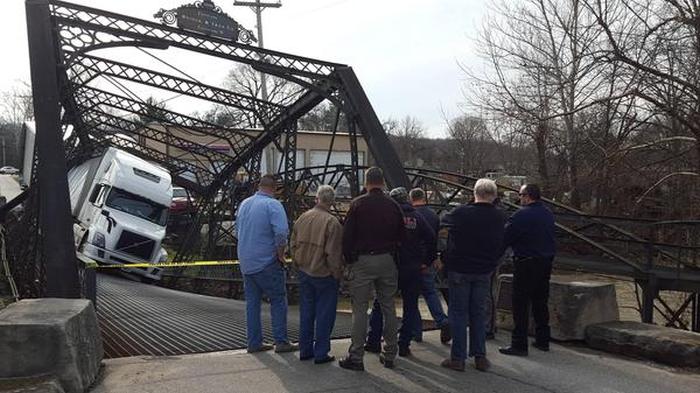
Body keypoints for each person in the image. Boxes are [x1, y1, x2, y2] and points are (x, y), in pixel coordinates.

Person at [338, 167, 405, 371]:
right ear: (383, 182)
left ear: (366, 183)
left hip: (363, 260)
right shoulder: (393, 205)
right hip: (387, 259)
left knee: (359, 309)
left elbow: (347, 237)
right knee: (388, 307)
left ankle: (356, 356)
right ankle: (391, 353)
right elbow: (402, 236)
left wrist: (350, 261)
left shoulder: (358, 204)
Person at [441, 179, 505, 372]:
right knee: (478, 313)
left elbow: (442, 220)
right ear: (494, 196)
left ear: (474, 193)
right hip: (484, 270)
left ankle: (458, 358)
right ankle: (480, 357)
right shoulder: (500, 216)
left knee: (459, 313)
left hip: (460, 269)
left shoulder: (461, 213)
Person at [365, 187, 436, 358]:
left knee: (380, 304)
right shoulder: (417, 217)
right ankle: (404, 344)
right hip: (413, 268)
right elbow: (431, 238)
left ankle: (374, 341)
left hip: (391, 266)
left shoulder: (390, 217)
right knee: (410, 306)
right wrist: (427, 261)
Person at [235, 174, 297, 354]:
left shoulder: (245, 204)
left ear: (259, 186)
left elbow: (238, 230)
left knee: (252, 304)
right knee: (278, 299)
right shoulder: (273, 205)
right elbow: (281, 233)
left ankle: (254, 342)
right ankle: (281, 341)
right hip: (266, 262)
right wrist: (280, 254)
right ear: (275, 188)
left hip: (246, 261)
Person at [499, 184, 556, 356]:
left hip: (526, 262)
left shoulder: (521, 215)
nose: (519, 198)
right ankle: (543, 339)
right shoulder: (548, 214)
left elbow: (506, 237)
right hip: (545, 261)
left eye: (521, 195)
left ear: (528, 196)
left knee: (520, 304)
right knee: (540, 301)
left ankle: (519, 344)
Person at [291, 185, 343, 364]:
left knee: (306, 312)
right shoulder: (332, 222)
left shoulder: (302, 218)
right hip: (324, 274)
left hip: (304, 271)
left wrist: (297, 263)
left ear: (317, 199)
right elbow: (333, 254)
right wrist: (337, 274)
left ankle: (305, 350)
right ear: (332, 202)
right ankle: (321, 353)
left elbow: (293, 244)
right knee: (324, 315)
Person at [409, 187, 451, 344]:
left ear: (411, 198)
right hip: (430, 261)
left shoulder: (412, 215)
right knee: (431, 293)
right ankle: (442, 321)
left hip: (413, 262)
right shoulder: (433, 215)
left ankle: (416, 331)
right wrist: (434, 258)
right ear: (424, 198)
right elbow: (435, 240)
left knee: (411, 297)